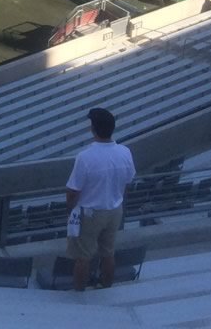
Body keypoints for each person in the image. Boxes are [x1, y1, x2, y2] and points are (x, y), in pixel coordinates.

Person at [64, 107, 137, 291]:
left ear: (93, 129)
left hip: (91, 213)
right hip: (115, 210)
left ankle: (79, 292)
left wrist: (71, 208)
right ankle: (106, 287)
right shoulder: (124, 152)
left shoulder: (85, 157)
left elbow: (73, 190)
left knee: (83, 256)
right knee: (108, 252)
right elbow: (129, 179)